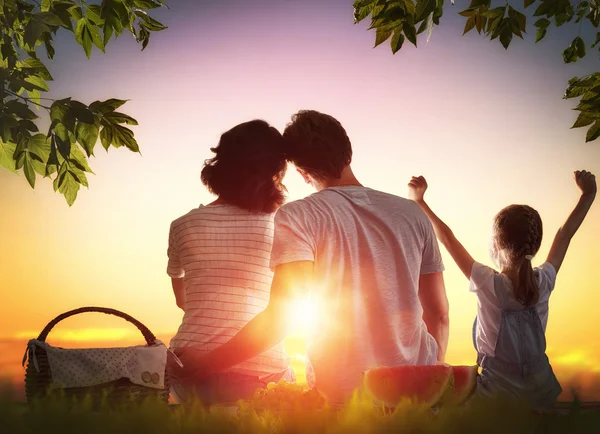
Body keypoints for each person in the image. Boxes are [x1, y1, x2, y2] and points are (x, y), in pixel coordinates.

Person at [172, 110, 449, 404]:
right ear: (348, 151)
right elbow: (439, 313)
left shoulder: (299, 215)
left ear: (301, 173)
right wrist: (429, 378)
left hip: (341, 394)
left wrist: (204, 363)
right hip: (417, 388)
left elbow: (282, 315)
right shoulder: (411, 214)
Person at [407, 170, 597, 410]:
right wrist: (588, 195)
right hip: (541, 394)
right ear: (534, 245)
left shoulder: (488, 283)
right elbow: (565, 234)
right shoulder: (544, 281)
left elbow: (447, 238)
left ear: (496, 245)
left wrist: (419, 201)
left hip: (495, 395)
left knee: (437, 410)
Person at [166, 120, 295, 405]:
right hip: (262, 373)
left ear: (219, 165)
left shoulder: (182, 225)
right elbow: (288, 310)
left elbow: (182, 299)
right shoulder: (284, 224)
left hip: (187, 367)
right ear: (275, 172)